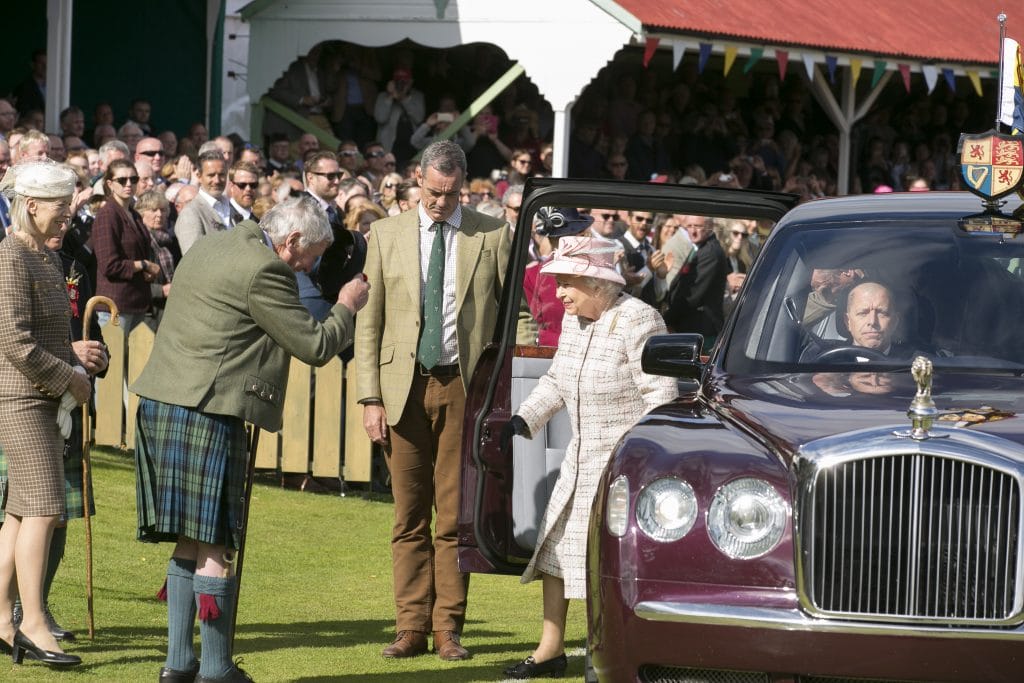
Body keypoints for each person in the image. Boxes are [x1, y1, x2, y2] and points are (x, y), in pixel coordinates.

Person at [130, 196, 369, 683]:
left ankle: (178, 666)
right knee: (217, 543)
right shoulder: (267, 271)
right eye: (313, 254)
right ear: (291, 241)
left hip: (161, 401)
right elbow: (316, 345)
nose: (312, 265)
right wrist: (346, 306)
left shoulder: (211, 246)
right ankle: (216, 670)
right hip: (208, 410)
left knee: (188, 538)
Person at [354, 139, 510, 661]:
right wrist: (369, 398)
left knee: (453, 517)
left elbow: (515, 315)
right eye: (434, 190)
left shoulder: (492, 233)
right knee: (407, 516)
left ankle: (447, 630)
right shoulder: (385, 234)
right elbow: (368, 321)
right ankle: (410, 627)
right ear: (416, 178)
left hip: (464, 388)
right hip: (401, 390)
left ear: (463, 187)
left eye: (452, 193)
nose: (441, 201)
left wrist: (509, 383)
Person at [500, 234, 678, 678]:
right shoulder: (577, 323)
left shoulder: (639, 320)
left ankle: (603, 654)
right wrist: (523, 420)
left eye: (567, 283)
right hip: (580, 459)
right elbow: (557, 381)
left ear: (596, 283)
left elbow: (662, 394)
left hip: (622, 467)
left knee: (607, 564)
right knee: (556, 549)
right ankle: (550, 649)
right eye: (558, 283)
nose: (558, 293)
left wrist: (645, 462)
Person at [0, 160, 93, 667]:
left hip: (41, 396)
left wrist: (74, 366)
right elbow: (15, 342)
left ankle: (2, 621)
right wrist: (70, 378)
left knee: (18, 513)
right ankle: (33, 624)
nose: (68, 217)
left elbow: (49, 335)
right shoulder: (11, 254)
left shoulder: (46, 256)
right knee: (43, 508)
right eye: (62, 207)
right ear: (31, 205)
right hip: (22, 398)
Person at [93, 159, 161, 333]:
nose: (129, 184)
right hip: (115, 305)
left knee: (136, 359)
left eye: (133, 179)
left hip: (137, 303)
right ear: (110, 184)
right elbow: (109, 265)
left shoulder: (134, 214)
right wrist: (143, 265)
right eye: (122, 180)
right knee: (114, 360)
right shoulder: (107, 214)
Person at [523, 208, 594, 346]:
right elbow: (528, 325)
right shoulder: (532, 275)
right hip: (547, 352)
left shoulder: (594, 271)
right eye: (581, 234)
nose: (586, 238)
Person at [662, 215, 728, 344]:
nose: (692, 231)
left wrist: (667, 320)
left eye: (698, 226)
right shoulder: (701, 248)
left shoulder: (710, 253)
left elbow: (691, 294)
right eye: (689, 226)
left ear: (710, 227)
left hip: (701, 329)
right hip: (692, 326)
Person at [174, 151, 230, 254]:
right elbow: (194, 259)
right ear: (199, 176)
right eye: (211, 175)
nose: (217, 180)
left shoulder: (231, 207)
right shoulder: (190, 213)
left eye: (221, 174)